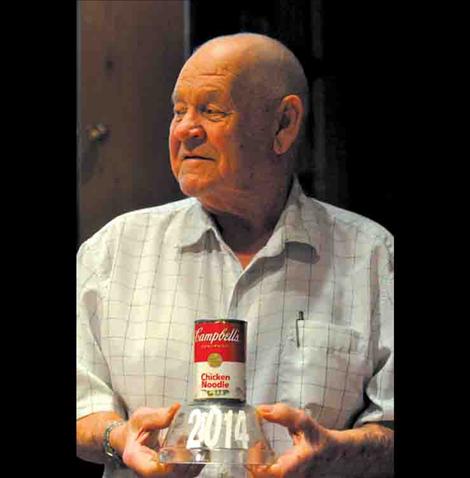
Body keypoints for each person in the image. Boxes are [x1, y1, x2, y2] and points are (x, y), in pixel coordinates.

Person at [77, 33, 394, 477]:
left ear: (283, 125)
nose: (185, 129)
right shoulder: (113, 252)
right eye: (178, 111)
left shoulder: (374, 259)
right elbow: (81, 406)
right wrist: (118, 437)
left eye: (211, 110)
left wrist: (336, 449)